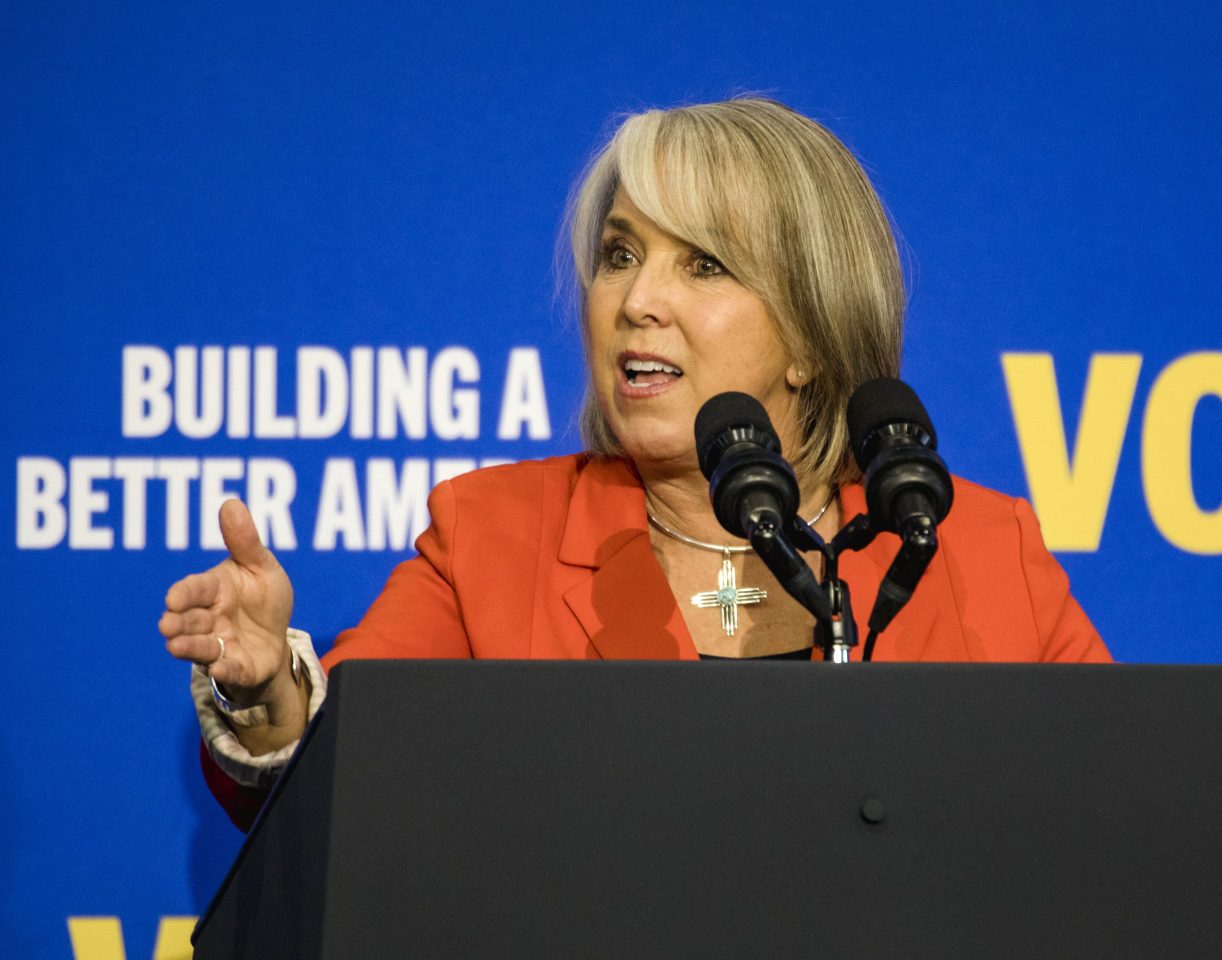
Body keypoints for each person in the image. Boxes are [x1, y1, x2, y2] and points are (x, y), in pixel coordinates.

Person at [159, 98, 1110, 830]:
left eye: (702, 265)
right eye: (619, 254)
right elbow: (343, 792)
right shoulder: (494, 536)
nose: (636, 300)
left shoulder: (978, 549)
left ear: (810, 338)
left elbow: (1117, 818)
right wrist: (268, 692)